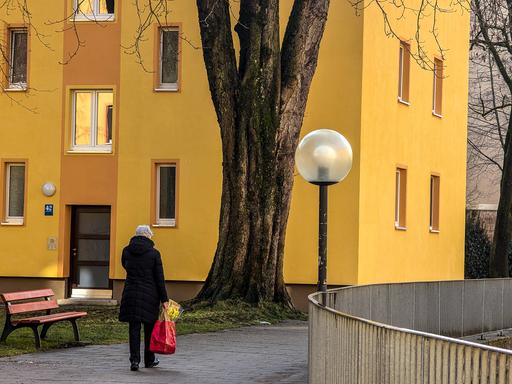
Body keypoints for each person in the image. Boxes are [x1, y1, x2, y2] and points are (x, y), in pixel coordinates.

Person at [119, 225, 169, 371]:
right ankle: (149, 360)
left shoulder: (126, 251)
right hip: (150, 295)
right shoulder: (154, 253)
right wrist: (164, 299)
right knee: (149, 329)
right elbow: (159, 278)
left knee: (133, 329)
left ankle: (134, 361)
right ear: (147, 236)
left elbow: (125, 266)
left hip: (131, 293)